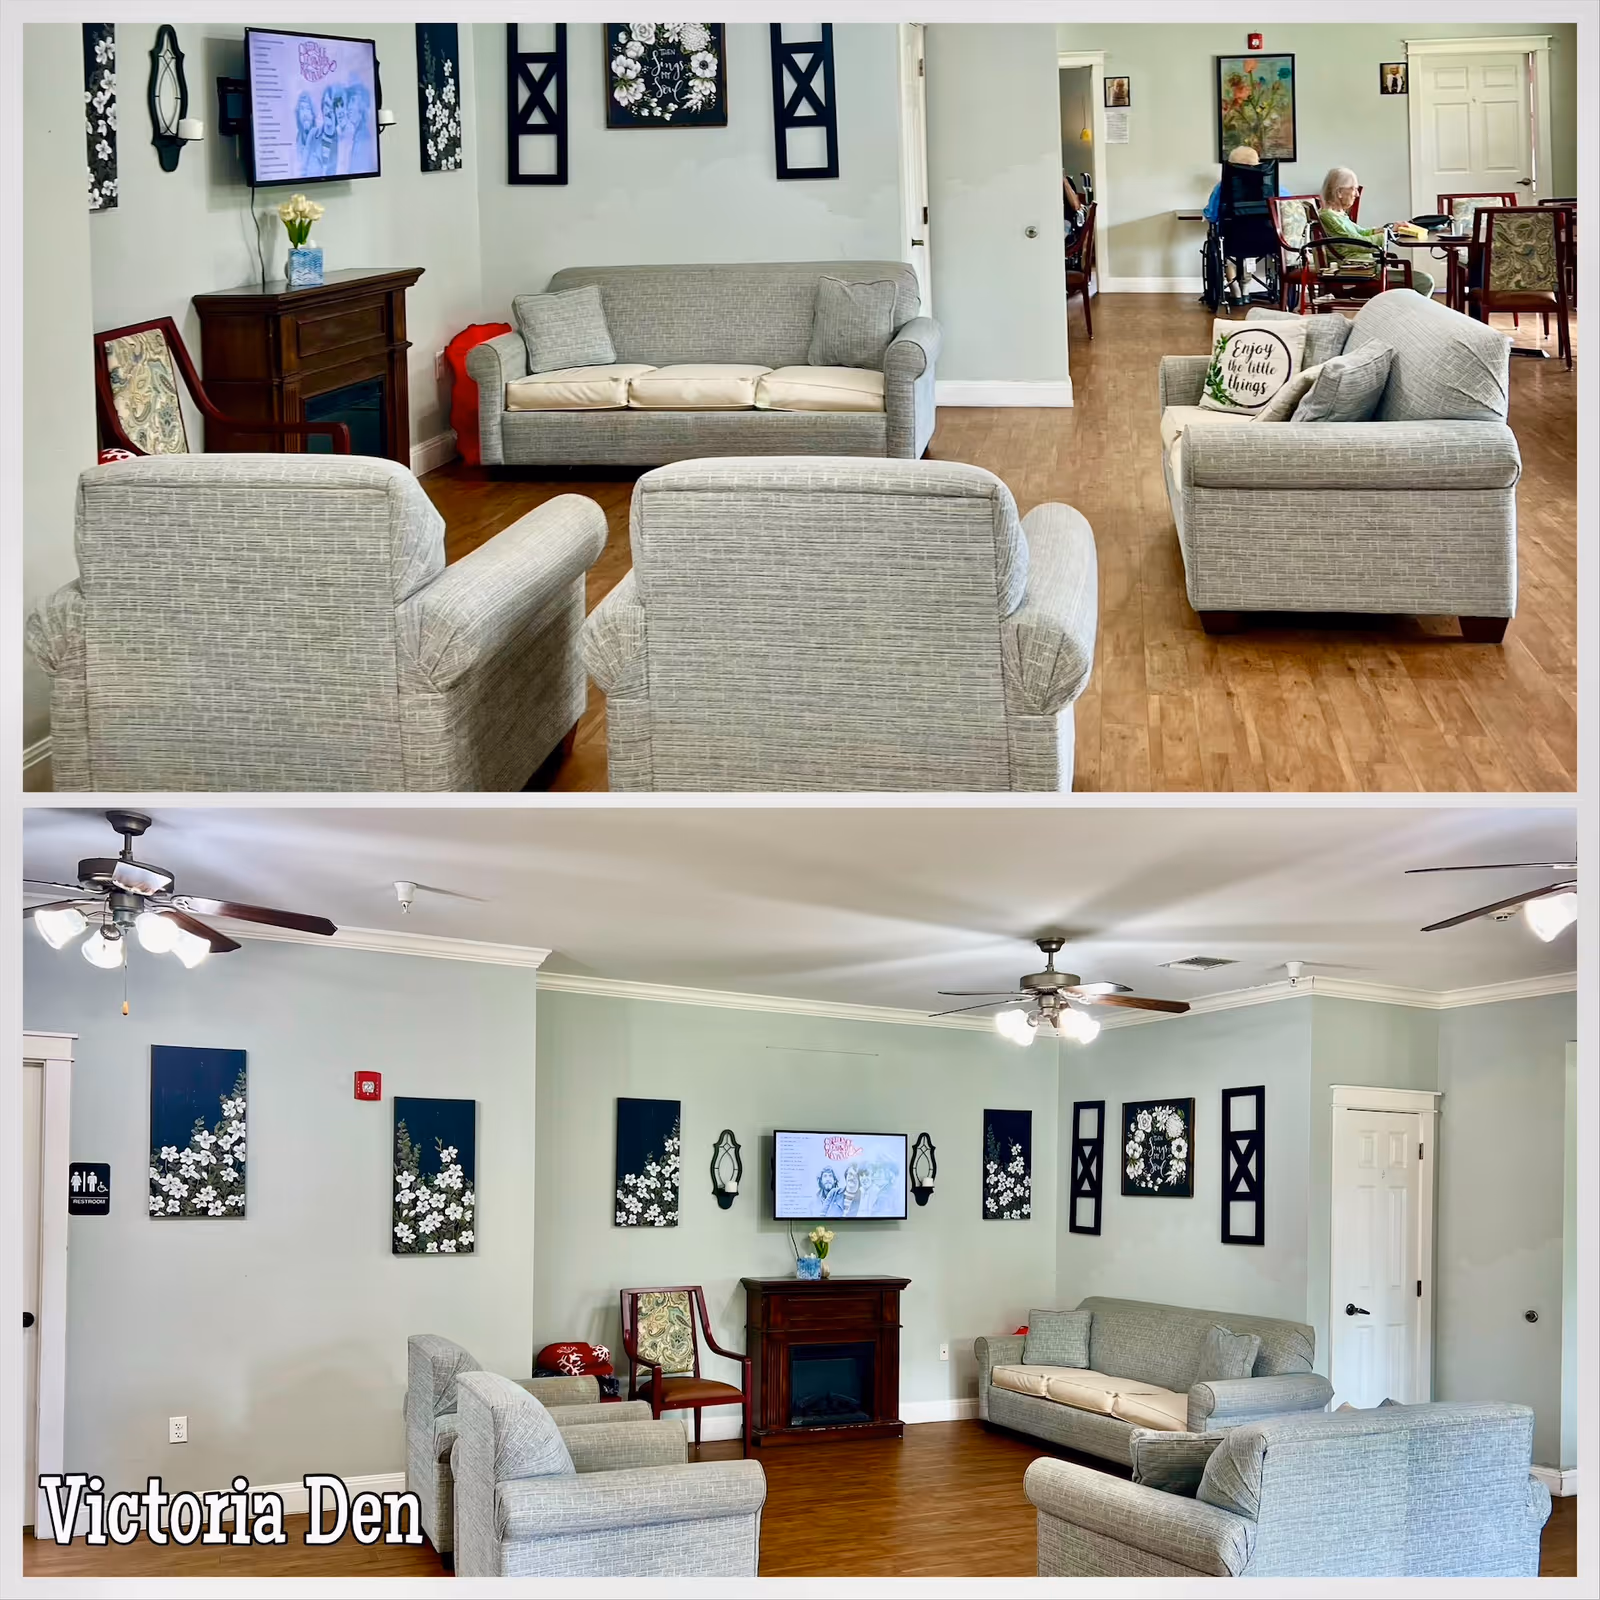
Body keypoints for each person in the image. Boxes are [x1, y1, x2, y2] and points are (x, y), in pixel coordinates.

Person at [1318, 166, 1435, 298]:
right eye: (1354, 189)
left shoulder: (1337, 215)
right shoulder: (1329, 216)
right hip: (1358, 269)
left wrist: (1390, 228)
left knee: (1422, 279)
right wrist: (1386, 235)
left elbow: (1361, 233)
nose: (1357, 194)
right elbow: (1355, 242)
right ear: (1339, 192)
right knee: (1425, 281)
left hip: (1365, 266)